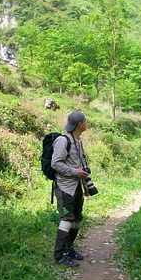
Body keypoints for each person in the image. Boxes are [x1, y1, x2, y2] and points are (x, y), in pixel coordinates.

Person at [51, 110, 91, 267]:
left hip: (76, 187)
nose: (87, 123)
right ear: (80, 124)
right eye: (85, 120)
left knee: (76, 220)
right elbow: (56, 163)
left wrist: (86, 185)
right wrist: (75, 172)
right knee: (67, 219)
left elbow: (80, 165)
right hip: (65, 187)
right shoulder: (63, 141)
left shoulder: (78, 141)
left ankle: (69, 249)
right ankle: (59, 255)